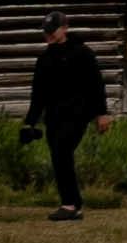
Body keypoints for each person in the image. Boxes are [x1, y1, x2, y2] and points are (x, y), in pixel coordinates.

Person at [23, 16, 106, 223]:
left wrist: (102, 114)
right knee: (58, 156)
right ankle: (72, 204)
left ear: (65, 28)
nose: (49, 34)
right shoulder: (44, 59)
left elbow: (96, 84)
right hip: (54, 116)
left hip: (78, 114)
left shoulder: (83, 53)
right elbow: (38, 95)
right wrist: (29, 122)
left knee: (62, 150)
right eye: (46, 30)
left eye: (53, 29)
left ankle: (69, 204)